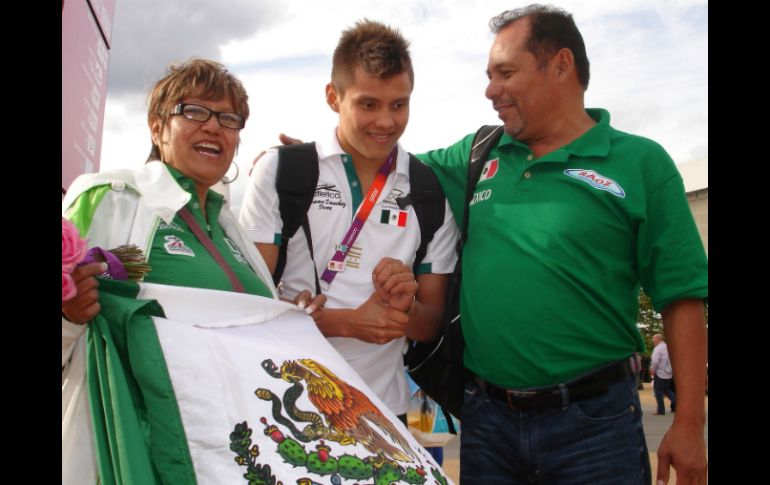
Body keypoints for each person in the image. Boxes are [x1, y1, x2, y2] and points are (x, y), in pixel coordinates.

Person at [416, 5, 708, 484]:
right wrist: (314, 161)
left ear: (561, 65)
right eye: (489, 76)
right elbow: (386, 169)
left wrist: (691, 422)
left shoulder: (641, 163)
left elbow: (682, 295)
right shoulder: (478, 154)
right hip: (487, 424)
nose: (491, 90)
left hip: (595, 429)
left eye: (505, 73)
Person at [61, 58, 324, 483]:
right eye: (194, 111)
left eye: (228, 118)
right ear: (156, 126)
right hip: (139, 451)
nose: (214, 126)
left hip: (231, 455)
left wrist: (286, 319)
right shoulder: (110, 197)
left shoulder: (231, 228)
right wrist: (68, 318)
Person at [238, 20, 459, 425]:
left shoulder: (428, 190)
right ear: (333, 97)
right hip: (287, 402)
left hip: (383, 412)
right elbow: (247, 302)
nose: (386, 122)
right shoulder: (281, 171)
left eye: (399, 104)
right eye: (368, 104)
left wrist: (403, 307)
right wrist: (347, 323)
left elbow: (428, 325)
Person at [650, 333, 677, 415]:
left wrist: (652, 370)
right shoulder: (668, 347)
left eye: (653, 339)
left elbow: (655, 361)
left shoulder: (658, 348)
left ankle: (661, 410)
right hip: (669, 372)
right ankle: (679, 404)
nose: (652, 341)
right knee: (666, 390)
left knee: (658, 392)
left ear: (658, 339)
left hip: (660, 373)